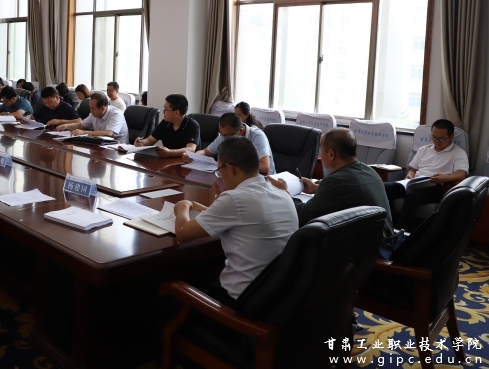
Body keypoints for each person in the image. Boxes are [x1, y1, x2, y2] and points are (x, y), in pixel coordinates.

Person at [173, 137, 298, 304]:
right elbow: (243, 218)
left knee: (169, 292)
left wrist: (183, 205)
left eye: (220, 171)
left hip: (238, 302)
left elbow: (182, 233)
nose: (221, 177)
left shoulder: (234, 198)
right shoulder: (282, 194)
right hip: (274, 298)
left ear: (230, 168)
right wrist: (204, 209)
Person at [266, 128, 394, 238]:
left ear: (331, 154)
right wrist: (317, 187)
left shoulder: (337, 181)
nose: (320, 156)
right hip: (384, 244)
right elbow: (349, 190)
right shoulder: (369, 171)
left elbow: (302, 216)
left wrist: (285, 193)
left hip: (367, 253)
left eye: (322, 151)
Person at [384, 119, 469, 230]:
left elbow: (461, 174)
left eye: (441, 138)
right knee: (383, 188)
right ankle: (387, 226)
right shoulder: (424, 149)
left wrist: (445, 178)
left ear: (451, 137)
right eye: (434, 137)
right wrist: (410, 176)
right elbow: (413, 169)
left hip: (435, 186)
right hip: (413, 183)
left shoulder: (459, 153)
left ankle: (400, 232)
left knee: (412, 196)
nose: (437, 141)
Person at [183, 112, 275, 175]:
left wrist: (232, 164)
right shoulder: (225, 135)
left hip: (264, 180)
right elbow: (205, 152)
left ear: (240, 131)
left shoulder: (257, 136)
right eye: (221, 134)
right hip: (238, 177)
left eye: (227, 135)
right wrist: (193, 156)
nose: (224, 138)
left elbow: (265, 168)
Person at [134, 94, 200, 158]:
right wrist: (142, 142)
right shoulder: (165, 122)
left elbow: (191, 149)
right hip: (168, 161)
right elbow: (150, 140)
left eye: (165, 109)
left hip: (187, 162)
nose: (163, 112)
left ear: (176, 113)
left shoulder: (193, 125)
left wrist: (170, 153)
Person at [56, 92, 129, 143]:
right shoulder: (93, 114)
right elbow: (81, 125)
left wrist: (84, 132)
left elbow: (108, 133)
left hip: (118, 149)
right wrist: (67, 126)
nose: (90, 111)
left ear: (102, 109)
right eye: (90, 107)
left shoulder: (116, 114)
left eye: (93, 108)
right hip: (101, 145)